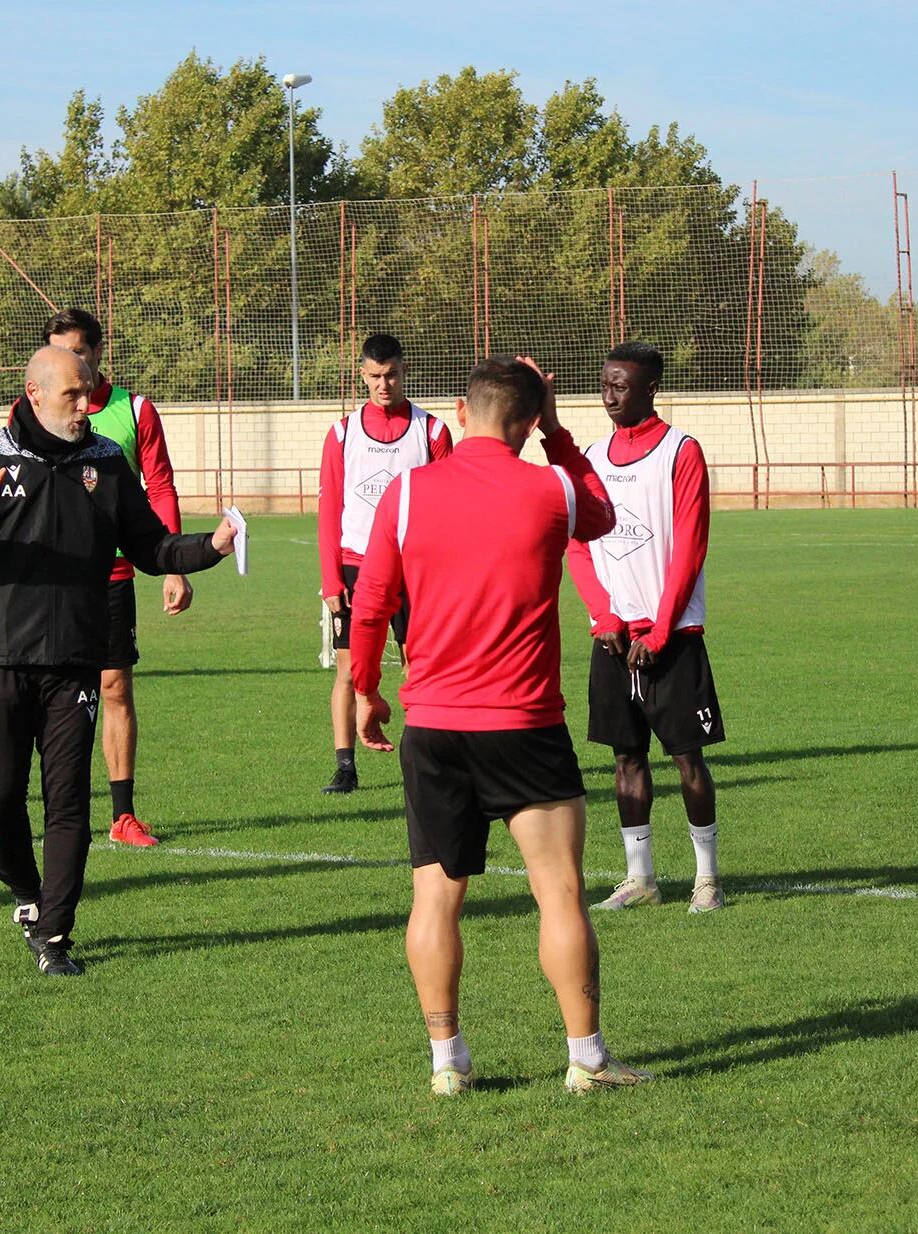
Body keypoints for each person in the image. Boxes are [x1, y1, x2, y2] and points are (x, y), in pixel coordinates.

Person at [352, 354, 649, 1097]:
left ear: (459, 409)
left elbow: (372, 604)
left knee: (435, 898)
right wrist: (559, 438)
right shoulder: (551, 486)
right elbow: (603, 516)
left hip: (435, 726)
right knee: (559, 892)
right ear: (528, 422)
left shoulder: (409, 491)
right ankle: (586, 1057)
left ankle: (447, 1062)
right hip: (524, 725)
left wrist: (367, 690)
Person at [0, 346, 236, 977]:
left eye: (90, 394)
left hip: (76, 660)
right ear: (34, 393)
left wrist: (212, 546)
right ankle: (27, 895)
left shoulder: (106, 464)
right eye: (73, 397)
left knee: (69, 804)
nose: (87, 408)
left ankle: (55, 934)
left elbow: (151, 546)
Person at [0, 308, 186, 849]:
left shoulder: (132, 410)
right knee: (6, 685)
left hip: (107, 575)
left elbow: (158, 486)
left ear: (98, 353)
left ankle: (123, 814)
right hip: (30, 585)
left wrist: (173, 564)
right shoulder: (33, 410)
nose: (74, 367)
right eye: (62, 352)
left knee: (115, 687)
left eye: (81, 353)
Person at [564, 342, 726, 913]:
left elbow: (690, 545)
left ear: (650, 388)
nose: (609, 396)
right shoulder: (591, 457)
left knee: (688, 759)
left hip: (671, 638)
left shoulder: (681, 452)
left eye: (621, 386)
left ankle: (707, 878)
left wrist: (660, 629)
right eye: (604, 384)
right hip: (612, 639)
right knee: (625, 760)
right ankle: (641, 878)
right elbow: (578, 546)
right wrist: (604, 615)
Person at [316, 333, 452, 794]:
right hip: (356, 568)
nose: (383, 384)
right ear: (362, 374)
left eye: (391, 374)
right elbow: (330, 508)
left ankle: (423, 760)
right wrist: (331, 579)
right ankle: (345, 765)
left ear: (403, 370)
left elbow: (446, 507)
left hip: (415, 569)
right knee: (349, 670)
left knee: (421, 665)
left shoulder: (431, 431)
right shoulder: (343, 432)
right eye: (374, 376)